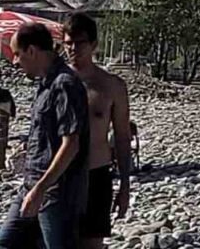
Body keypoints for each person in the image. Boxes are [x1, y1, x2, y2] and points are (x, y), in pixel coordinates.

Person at [0, 22, 90, 249]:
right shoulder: (45, 84)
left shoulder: (65, 84)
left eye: (17, 54)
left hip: (56, 194)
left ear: (32, 51)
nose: (15, 62)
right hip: (31, 185)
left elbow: (71, 144)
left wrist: (40, 190)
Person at [63, 13, 133, 249]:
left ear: (93, 45)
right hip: (60, 176)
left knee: (91, 245)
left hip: (96, 175)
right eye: (68, 43)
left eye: (79, 42)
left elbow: (122, 138)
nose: (73, 49)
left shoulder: (112, 86)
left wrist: (125, 186)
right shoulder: (55, 82)